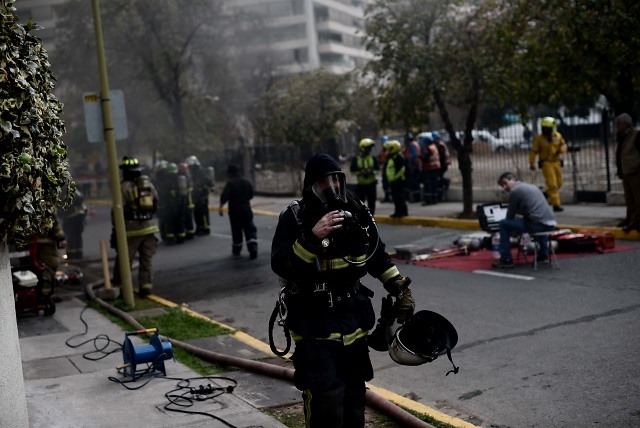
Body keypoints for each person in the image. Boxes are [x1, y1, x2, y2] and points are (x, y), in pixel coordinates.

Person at [271, 153, 414, 427]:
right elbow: (282, 265)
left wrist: (399, 286)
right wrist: (313, 237)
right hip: (314, 326)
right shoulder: (295, 218)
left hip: (353, 323)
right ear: (311, 185)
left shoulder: (357, 213)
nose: (332, 186)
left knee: (354, 400)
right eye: (324, 181)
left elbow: (377, 255)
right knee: (327, 403)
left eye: (336, 179)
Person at [112, 156, 160, 297]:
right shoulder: (148, 185)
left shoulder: (123, 187)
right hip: (149, 228)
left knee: (124, 261)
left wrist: (116, 228)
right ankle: (146, 288)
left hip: (130, 230)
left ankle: (122, 289)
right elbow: (156, 202)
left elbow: (117, 209)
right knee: (147, 259)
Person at [492, 172, 557, 269]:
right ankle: (543, 255)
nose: (505, 187)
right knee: (539, 222)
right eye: (502, 186)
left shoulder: (515, 191)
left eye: (505, 183)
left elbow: (510, 215)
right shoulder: (531, 187)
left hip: (537, 225)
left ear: (513, 179)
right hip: (550, 223)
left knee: (503, 224)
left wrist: (512, 229)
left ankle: (506, 259)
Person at [218, 163, 258, 259]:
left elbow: (224, 196)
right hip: (246, 210)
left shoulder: (230, 183)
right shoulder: (246, 182)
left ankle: (237, 249)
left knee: (236, 231)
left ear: (230, 173)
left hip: (235, 212)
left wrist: (221, 207)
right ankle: (253, 248)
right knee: (250, 229)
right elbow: (251, 195)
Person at [528, 117, 568, 212]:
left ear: (552, 127)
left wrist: (563, 150)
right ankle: (556, 205)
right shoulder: (539, 138)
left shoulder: (558, 136)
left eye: (547, 128)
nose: (545, 130)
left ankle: (545, 195)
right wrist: (532, 163)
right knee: (552, 184)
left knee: (559, 183)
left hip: (556, 162)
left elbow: (563, 145)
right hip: (546, 163)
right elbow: (533, 151)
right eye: (543, 127)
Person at [614, 113, 640, 232]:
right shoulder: (621, 135)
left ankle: (637, 221)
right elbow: (620, 153)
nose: (617, 125)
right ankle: (630, 219)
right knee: (629, 198)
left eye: (619, 123)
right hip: (626, 171)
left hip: (635, 171)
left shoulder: (636, 134)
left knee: (637, 198)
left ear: (626, 123)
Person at [349, 138, 380, 215]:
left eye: (370, 148)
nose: (369, 150)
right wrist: (360, 172)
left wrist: (371, 171)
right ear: (362, 148)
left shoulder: (373, 158)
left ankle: (371, 217)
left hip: (371, 184)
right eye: (367, 148)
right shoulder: (356, 159)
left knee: (372, 202)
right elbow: (352, 171)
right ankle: (361, 217)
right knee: (360, 203)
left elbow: (378, 170)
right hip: (361, 185)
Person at [186, 155, 214, 236]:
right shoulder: (193, 173)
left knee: (203, 212)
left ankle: (206, 228)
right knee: (197, 213)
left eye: (191, 166)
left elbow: (208, 181)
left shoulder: (200, 172)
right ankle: (199, 227)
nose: (190, 168)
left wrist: (202, 186)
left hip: (202, 196)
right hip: (197, 196)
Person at [59, 189, 87, 260]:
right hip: (80, 216)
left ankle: (71, 255)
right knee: (77, 235)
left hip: (71, 217)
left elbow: (60, 208)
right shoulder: (75, 190)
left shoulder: (63, 192)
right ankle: (79, 254)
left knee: (71, 236)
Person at [385, 140, 408, 218]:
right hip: (393, 180)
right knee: (396, 197)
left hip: (398, 180)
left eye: (390, 148)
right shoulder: (392, 157)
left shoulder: (398, 157)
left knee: (399, 197)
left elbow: (401, 170)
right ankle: (399, 211)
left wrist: (394, 177)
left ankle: (401, 212)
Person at [420, 135, 440, 205]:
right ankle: (434, 200)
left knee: (428, 185)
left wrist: (420, 157)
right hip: (435, 168)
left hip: (430, 169)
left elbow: (425, 158)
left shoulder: (429, 148)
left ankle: (428, 201)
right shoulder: (434, 147)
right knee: (434, 185)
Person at [403, 132, 422, 202]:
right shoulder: (415, 144)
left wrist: (409, 163)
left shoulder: (412, 145)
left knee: (414, 183)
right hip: (416, 165)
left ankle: (416, 198)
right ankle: (415, 197)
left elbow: (413, 155)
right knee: (414, 182)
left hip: (414, 165)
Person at [433, 132, 451, 202]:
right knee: (438, 178)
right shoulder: (440, 145)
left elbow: (441, 156)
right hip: (441, 165)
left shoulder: (440, 146)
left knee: (439, 179)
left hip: (443, 165)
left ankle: (445, 182)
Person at [378, 135, 392, 203]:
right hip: (384, 169)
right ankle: (387, 197)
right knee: (385, 184)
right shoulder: (383, 151)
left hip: (388, 169)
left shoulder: (388, 151)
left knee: (388, 184)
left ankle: (389, 197)